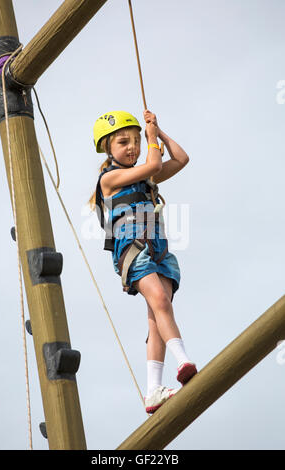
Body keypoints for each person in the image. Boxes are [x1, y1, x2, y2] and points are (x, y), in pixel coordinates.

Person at [89, 109, 197, 414]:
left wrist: (158, 132)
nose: (132, 147)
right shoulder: (110, 178)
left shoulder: (146, 175)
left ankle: (153, 389)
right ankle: (184, 359)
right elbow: (153, 162)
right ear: (108, 148)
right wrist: (151, 139)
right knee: (160, 300)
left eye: (136, 141)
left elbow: (181, 158)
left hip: (158, 247)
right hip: (132, 248)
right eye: (124, 142)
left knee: (156, 315)